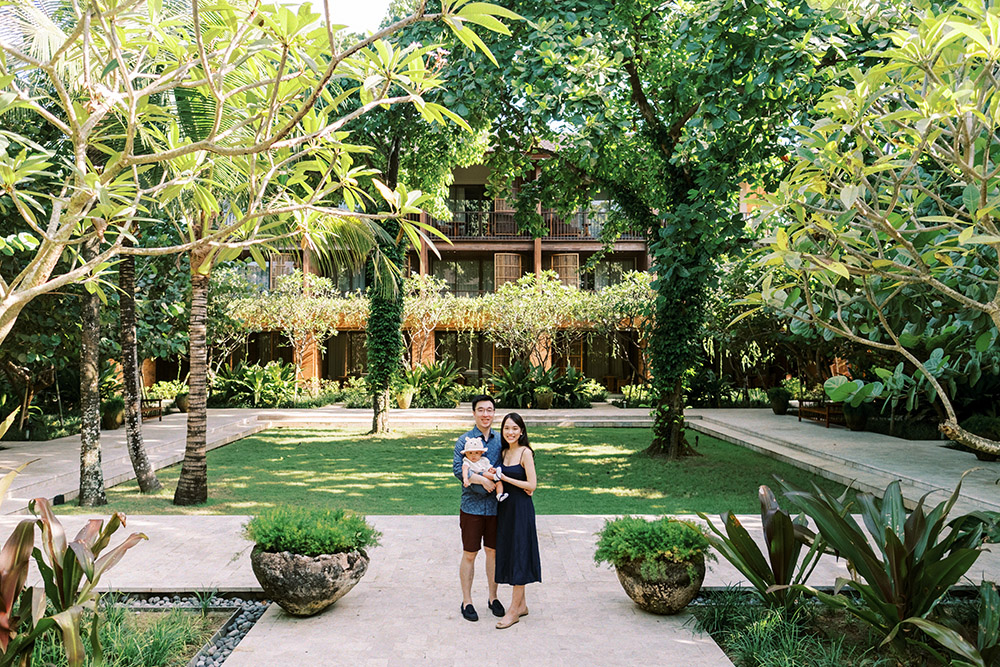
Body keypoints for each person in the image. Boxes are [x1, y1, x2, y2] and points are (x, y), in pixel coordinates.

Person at [453, 394, 506, 622]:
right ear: (474, 413)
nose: (486, 414)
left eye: (490, 410)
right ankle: (467, 601)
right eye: (481, 410)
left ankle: (493, 598)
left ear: (494, 413)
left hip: (496, 509)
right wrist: (481, 480)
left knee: (493, 553)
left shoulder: (501, 441)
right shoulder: (464, 441)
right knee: (470, 554)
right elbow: (458, 470)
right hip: (472, 507)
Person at [493, 411, 541, 629]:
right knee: (511, 552)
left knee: (520, 554)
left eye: (514, 428)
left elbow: (532, 485)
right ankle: (522, 605)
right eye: (506, 428)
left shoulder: (525, 453)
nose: (510, 432)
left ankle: (513, 610)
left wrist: (505, 478)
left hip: (521, 510)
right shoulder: (503, 452)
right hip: (505, 510)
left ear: (521, 431)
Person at [461, 437, 507, 502]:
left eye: (476, 453)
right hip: (477, 483)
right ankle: (495, 477)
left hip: (488, 481)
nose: (473, 455)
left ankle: (499, 495)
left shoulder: (483, 460)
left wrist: (493, 470)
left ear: (481, 453)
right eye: (470, 453)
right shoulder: (467, 461)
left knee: (499, 482)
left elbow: (488, 468)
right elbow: (464, 469)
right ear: (466, 453)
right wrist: (465, 478)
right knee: (483, 473)